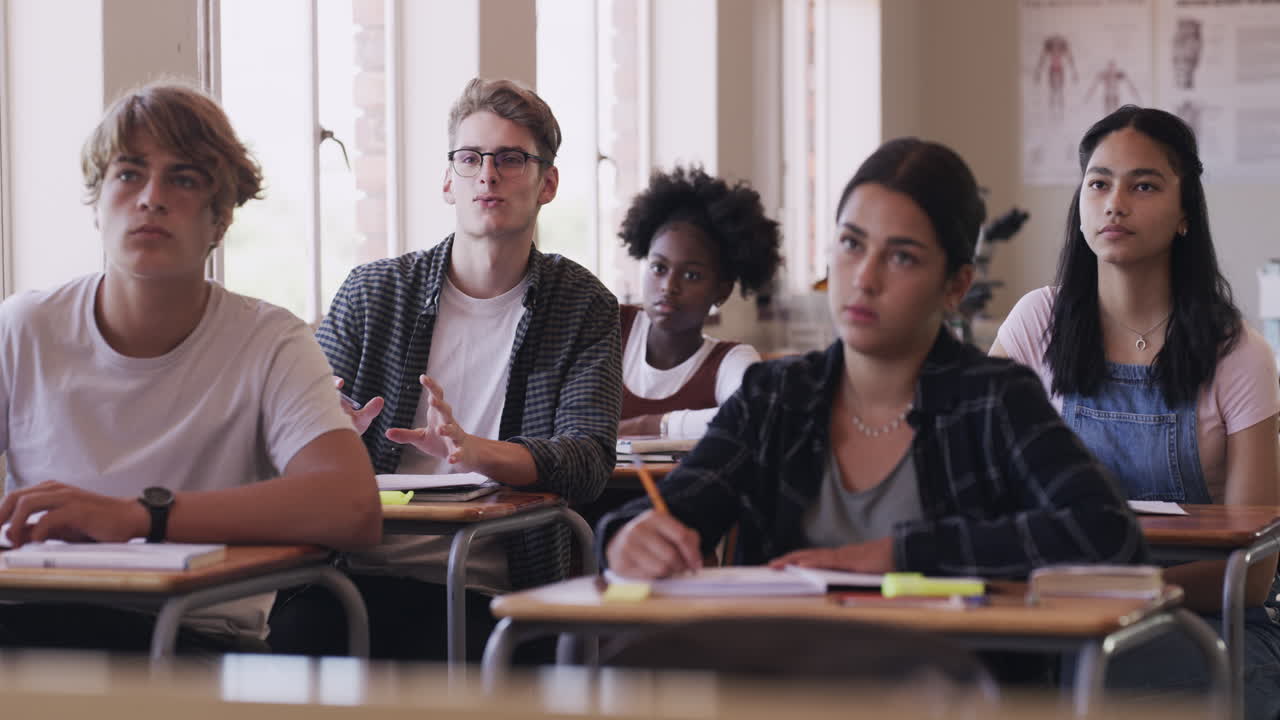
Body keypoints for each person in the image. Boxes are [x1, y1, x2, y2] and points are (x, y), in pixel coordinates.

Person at [601, 137, 1145, 587]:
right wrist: (629, 538)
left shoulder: (994, 399)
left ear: (955, 285)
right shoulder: (776, 396)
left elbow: (1107, 534)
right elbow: (658, 517)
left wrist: (902, 553)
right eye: (851, 244)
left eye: (901, 256)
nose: (865, 277)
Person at [0, 82, 381, 653]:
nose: (150, 197)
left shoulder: (269, 341)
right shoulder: (25, 326)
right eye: (128, 174)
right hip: (31, 621)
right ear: (97, 203)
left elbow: (351, 507)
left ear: (220, 219)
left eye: (182, 179)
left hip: (192, 637)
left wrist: (138, 516)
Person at [268, 77, 622, 661]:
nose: (487, 175)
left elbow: (587, 459)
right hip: (350, 570)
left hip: (496, 578)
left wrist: (477, 451)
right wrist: (330, 434)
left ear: (548, 183)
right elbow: (289, 440)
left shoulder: (582, 304)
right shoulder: (373, 291)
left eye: (511, 159)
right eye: (470, 158)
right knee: (287, 646)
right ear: (447, 180)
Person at [992, 105, 1280, 718]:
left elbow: (1252, 578)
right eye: (1098, 183)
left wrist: (1114, 589)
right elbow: (978, 488)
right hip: (1057, 615)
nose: (1114, 202)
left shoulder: (1238, 352)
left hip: (1206, 624)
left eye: (1143, 185)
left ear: (1184, 214)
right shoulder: (1034, 323)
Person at [616, 166, 782, 440]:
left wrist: (647, 425)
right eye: (659, 268)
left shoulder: (730, 361)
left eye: (691, 275)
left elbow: (757, 414)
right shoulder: (610, 328)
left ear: (722, 291)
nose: (669, 287)